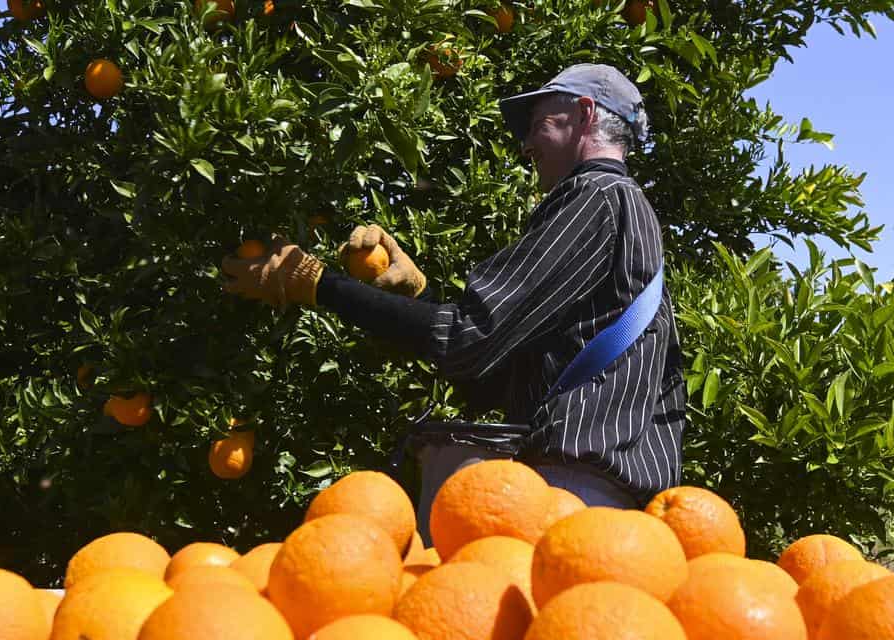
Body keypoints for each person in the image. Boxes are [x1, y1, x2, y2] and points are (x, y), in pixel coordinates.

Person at [221, 64, 686, 537]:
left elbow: (466, 339)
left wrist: (318, 283)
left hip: (573, 492)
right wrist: (420, 296)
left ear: (584, 114)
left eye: (538, 123)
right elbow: (489, 369)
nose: (527, 145)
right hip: (605, 499)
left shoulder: (594, 196)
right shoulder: (624, 211)